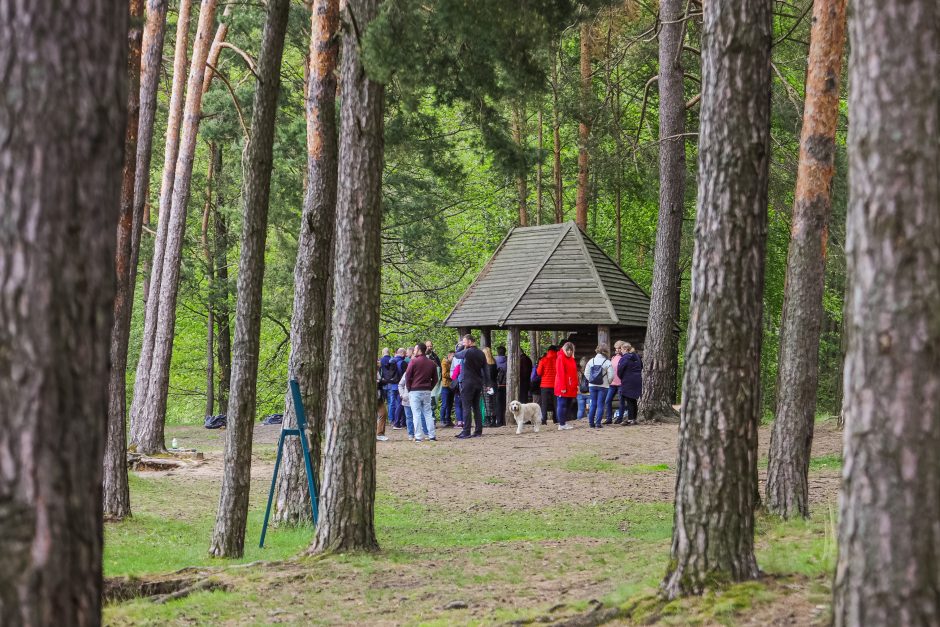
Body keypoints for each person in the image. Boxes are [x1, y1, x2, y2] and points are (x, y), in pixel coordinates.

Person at [405, 343, 439, 442]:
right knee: (428, 413)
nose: (414, 351)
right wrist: (430, 388)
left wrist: (409, 388)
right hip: (427, 391)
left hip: (415, 391)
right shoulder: (431, 363)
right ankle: (432, 435)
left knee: (416, 414)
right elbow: (436, 379)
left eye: (415, 349)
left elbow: (407, 376)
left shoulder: (413, 362)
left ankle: (419, 437)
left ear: (419, 350)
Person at [454, 334, 486, 438]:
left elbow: (457, 355)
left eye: (464, 341)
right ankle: (478, 431)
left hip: (467, 383)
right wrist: (486, 383)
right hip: (478, 382)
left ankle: (466, 431)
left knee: (466, 407)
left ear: (469, 341)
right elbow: (485, 369)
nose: (463, 343)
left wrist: (460, 346)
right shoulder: (481, 353)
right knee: (476, 407)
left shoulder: (467, 352)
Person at [585, 344, 614, 429]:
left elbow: (586, 373)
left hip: (592, 386)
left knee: (593, 404)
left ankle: (591, 423)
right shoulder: (607, 362)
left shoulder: (591, 361)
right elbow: (611, 375)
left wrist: (591, 380)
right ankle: (598, 423)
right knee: (600, 404)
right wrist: (608, 382)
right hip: (603, 386)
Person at [380, 347, 406, 429]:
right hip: (398, 385)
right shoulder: (399, 362)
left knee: (391, 403)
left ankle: (392, 420)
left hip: (389, 384)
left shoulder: (390, 361)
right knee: (398, 403)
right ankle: (396, 422)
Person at [617, 343, 643, 425]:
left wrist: (622, 377)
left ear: (625, 349)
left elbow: (620, 370)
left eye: (621, 349)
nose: (620, 351)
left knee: (629, 399)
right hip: (637, 379)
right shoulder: (637, 357)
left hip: (628, 380)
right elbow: (641, 366)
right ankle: (634, 418)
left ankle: (631, 419)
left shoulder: (624, 358)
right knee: (633, 399)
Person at [554, 342, 578, 430]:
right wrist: (563, 387)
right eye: (567, 350)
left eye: (571, 350)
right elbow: (560, 374)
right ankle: (561, 424)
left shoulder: (571, 359)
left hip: (571, 386)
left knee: (568, 405)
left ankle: (564, 422)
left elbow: (574, 374)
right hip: (563, 386)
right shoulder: (560, 358)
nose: (569, 352)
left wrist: (576, 385)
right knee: (562, 404)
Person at [536, 345, 559, 425]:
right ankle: (556, 419)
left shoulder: (543, 360)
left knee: (544, 403)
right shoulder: (557, 360)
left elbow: (538, 373)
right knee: (555, 403)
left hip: (544, 386)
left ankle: (543, 420)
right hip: (555, 385)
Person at [482, 346, 499, 427]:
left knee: (487, 403)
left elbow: (486, 376)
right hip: (494, 384)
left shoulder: (485, 364)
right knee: (493, 402)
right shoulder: (494, 362)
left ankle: (488, 420)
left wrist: (487, 385)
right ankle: (494, 420)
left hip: (487, 385)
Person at [608, 341, 624, 424]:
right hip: (612, 383)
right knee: (608, 400)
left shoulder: (624, 357)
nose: (617, 350)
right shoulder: (613, 357)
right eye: (616, 348)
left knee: (621, 401)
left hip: (621, 383)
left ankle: (620, 418)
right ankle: (609, 418)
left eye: (619, 348)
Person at [440, 350, 456, 428]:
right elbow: (444, 374)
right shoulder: (444, 363)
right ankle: (442, 420)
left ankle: (448, 420)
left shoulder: (453, 363)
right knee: (445, 404)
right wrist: (453, 375)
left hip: (451, 386)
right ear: (449, 356)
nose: (454, 358)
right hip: (446, 386)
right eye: (453, 357)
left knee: (450, 404)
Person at [495, 346, 508, 426]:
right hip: (507, 385)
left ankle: (499, 421)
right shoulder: (509, 360)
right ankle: (506, 420)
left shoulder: (494, 361)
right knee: (507, 403)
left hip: (498, 385)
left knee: (498, 404)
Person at [576, 356, 591, 420]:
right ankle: (589, 421)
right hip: (588, 394)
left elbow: (576, 383)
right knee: (588, 409)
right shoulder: (590, 371)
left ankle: (578, 421)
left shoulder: (577, 372)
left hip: (579, 394)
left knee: (580, 410)